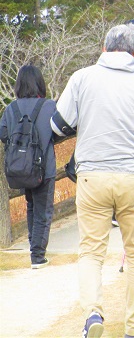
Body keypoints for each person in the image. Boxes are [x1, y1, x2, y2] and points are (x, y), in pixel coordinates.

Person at [51, 23, 134, 338]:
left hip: (92, 176)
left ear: (103, 48)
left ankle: (93, 316)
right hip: (132, 177)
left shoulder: (82, 78)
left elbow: (58, 125)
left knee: (90, 252)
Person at [0, 65, 56, 269]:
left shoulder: (11, 109)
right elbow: (59, 130)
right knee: (43, 210)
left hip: (21, 168)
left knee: (31, 206)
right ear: (39, 82)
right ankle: (38, 256)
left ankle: (35, 248)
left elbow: (3, 134)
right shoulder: (48, 106)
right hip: (44, 167)